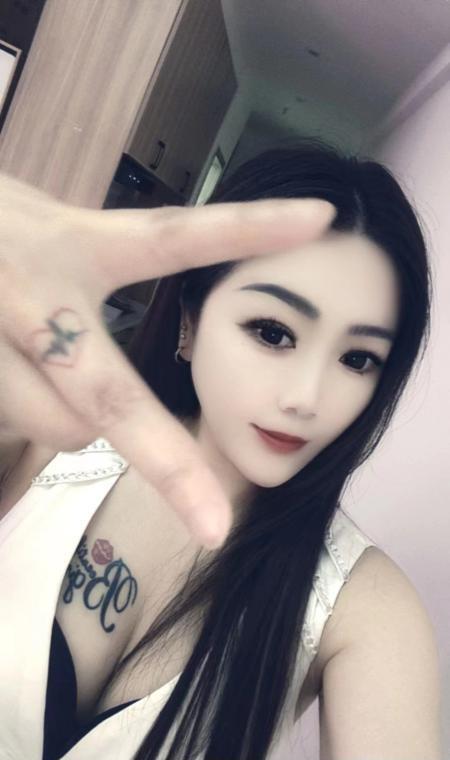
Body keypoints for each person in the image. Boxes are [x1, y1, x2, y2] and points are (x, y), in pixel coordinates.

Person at [0, 137, 442, 760]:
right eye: (273, 332)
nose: (306, 397)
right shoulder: (41, 444)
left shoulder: (362, 607)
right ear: (190, 321)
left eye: (357, 358)